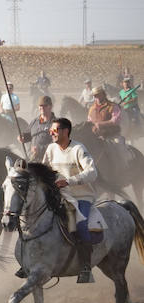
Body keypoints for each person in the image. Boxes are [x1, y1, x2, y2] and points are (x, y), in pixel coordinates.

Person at [42, 117, 99, 283]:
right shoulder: (51, 148)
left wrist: (69, 181)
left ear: (66, 131)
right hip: (58, 195)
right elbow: (44, 170)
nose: (51, 133)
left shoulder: (78, 149)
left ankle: (86, 268)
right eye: (51, 130)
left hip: (81, 197)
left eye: (55, 130)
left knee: (81, 225)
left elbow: (92, 172)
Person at [19, 95, 57, 162]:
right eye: (40, 106)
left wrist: (40, 149)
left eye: (45, 105)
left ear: (50, 107)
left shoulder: (54, 124)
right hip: (32, 158)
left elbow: (55, 143)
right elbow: (29, 136)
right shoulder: (34, 122)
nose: (42, 108)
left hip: (47, 160)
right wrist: (23, 137)